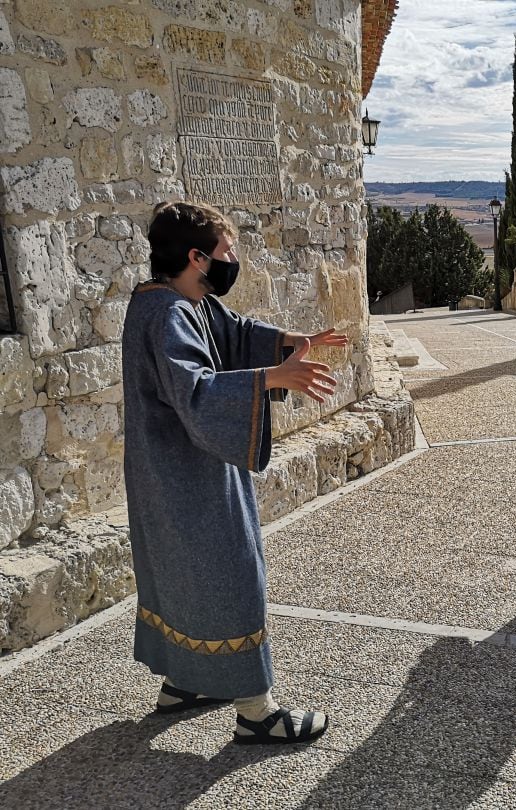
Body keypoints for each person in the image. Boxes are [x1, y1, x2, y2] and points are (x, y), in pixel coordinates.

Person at [122, 201, 347, 744]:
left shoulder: (173, 300)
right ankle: (255, 711)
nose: (234, 259)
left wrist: (292, 341)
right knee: (232, 574)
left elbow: (233, 331)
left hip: (165, 473)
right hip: (189, 477)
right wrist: (274, 376)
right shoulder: (169, 314)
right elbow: (196, 390)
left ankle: (184, 681)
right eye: (228, 252)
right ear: (197, 257)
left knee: (182, 576)